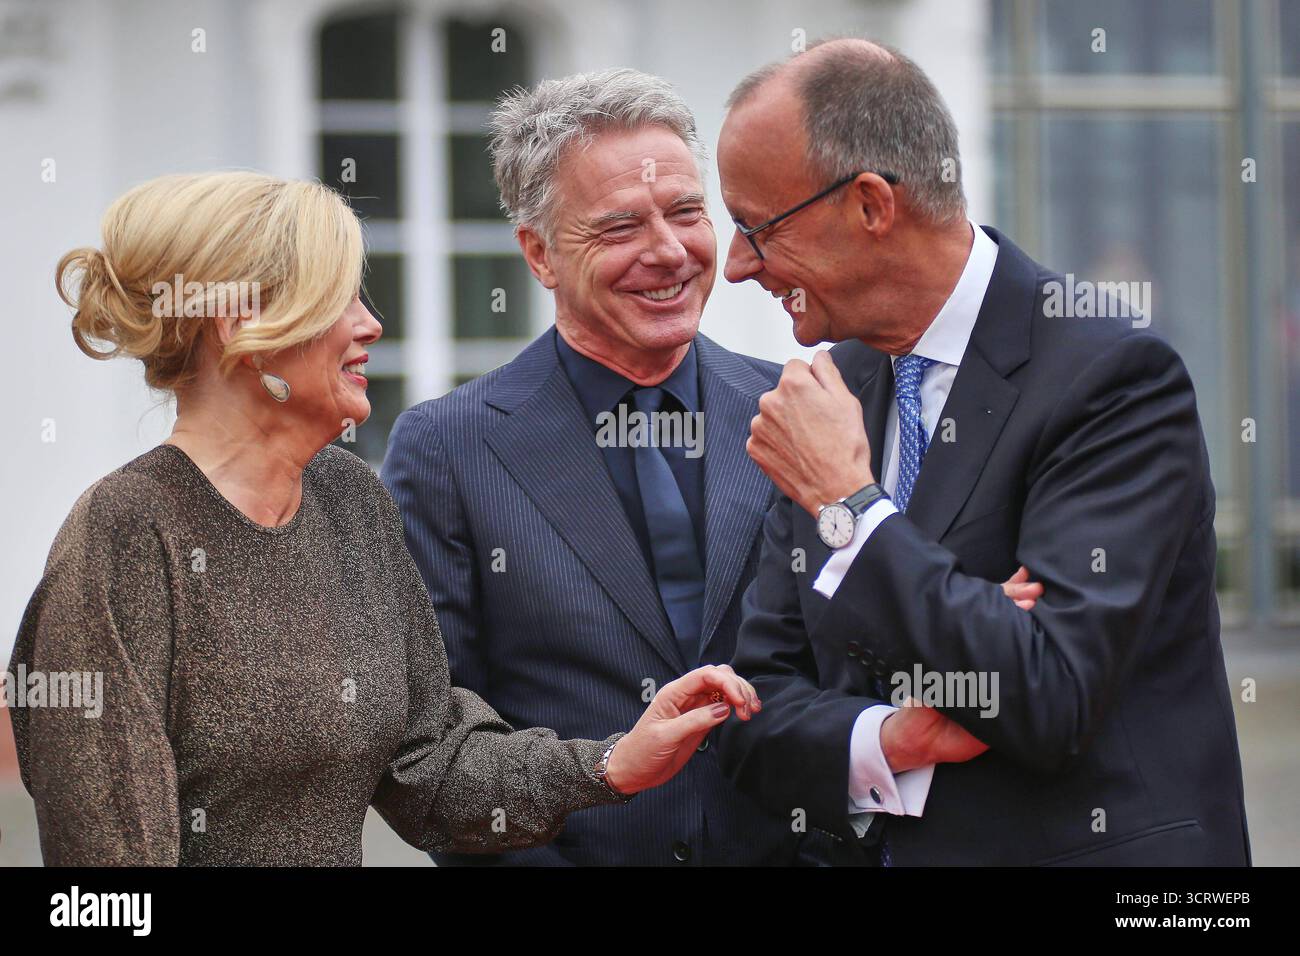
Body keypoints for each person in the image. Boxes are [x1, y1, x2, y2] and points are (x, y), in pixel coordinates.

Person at [8, 170, 758, 867]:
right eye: (338, 300)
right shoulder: (126, 534)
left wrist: (612, 763)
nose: (369, 325)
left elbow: (429, 765)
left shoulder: (347, 498)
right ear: (239, 325)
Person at [713, 38, 1251, 866]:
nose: (737, 265)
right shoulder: (834, 392)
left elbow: (1049, 693)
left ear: (870, 205)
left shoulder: (1111, 378)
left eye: (758, 228)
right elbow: (757, 714)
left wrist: (853, 509)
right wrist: (891, 735)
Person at [382, 68, 806, 865]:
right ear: (539, 254)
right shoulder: (447, 449)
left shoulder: (798, 406)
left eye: (687, 212)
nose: (669, 251)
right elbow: (435, 748)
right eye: (619, 228)